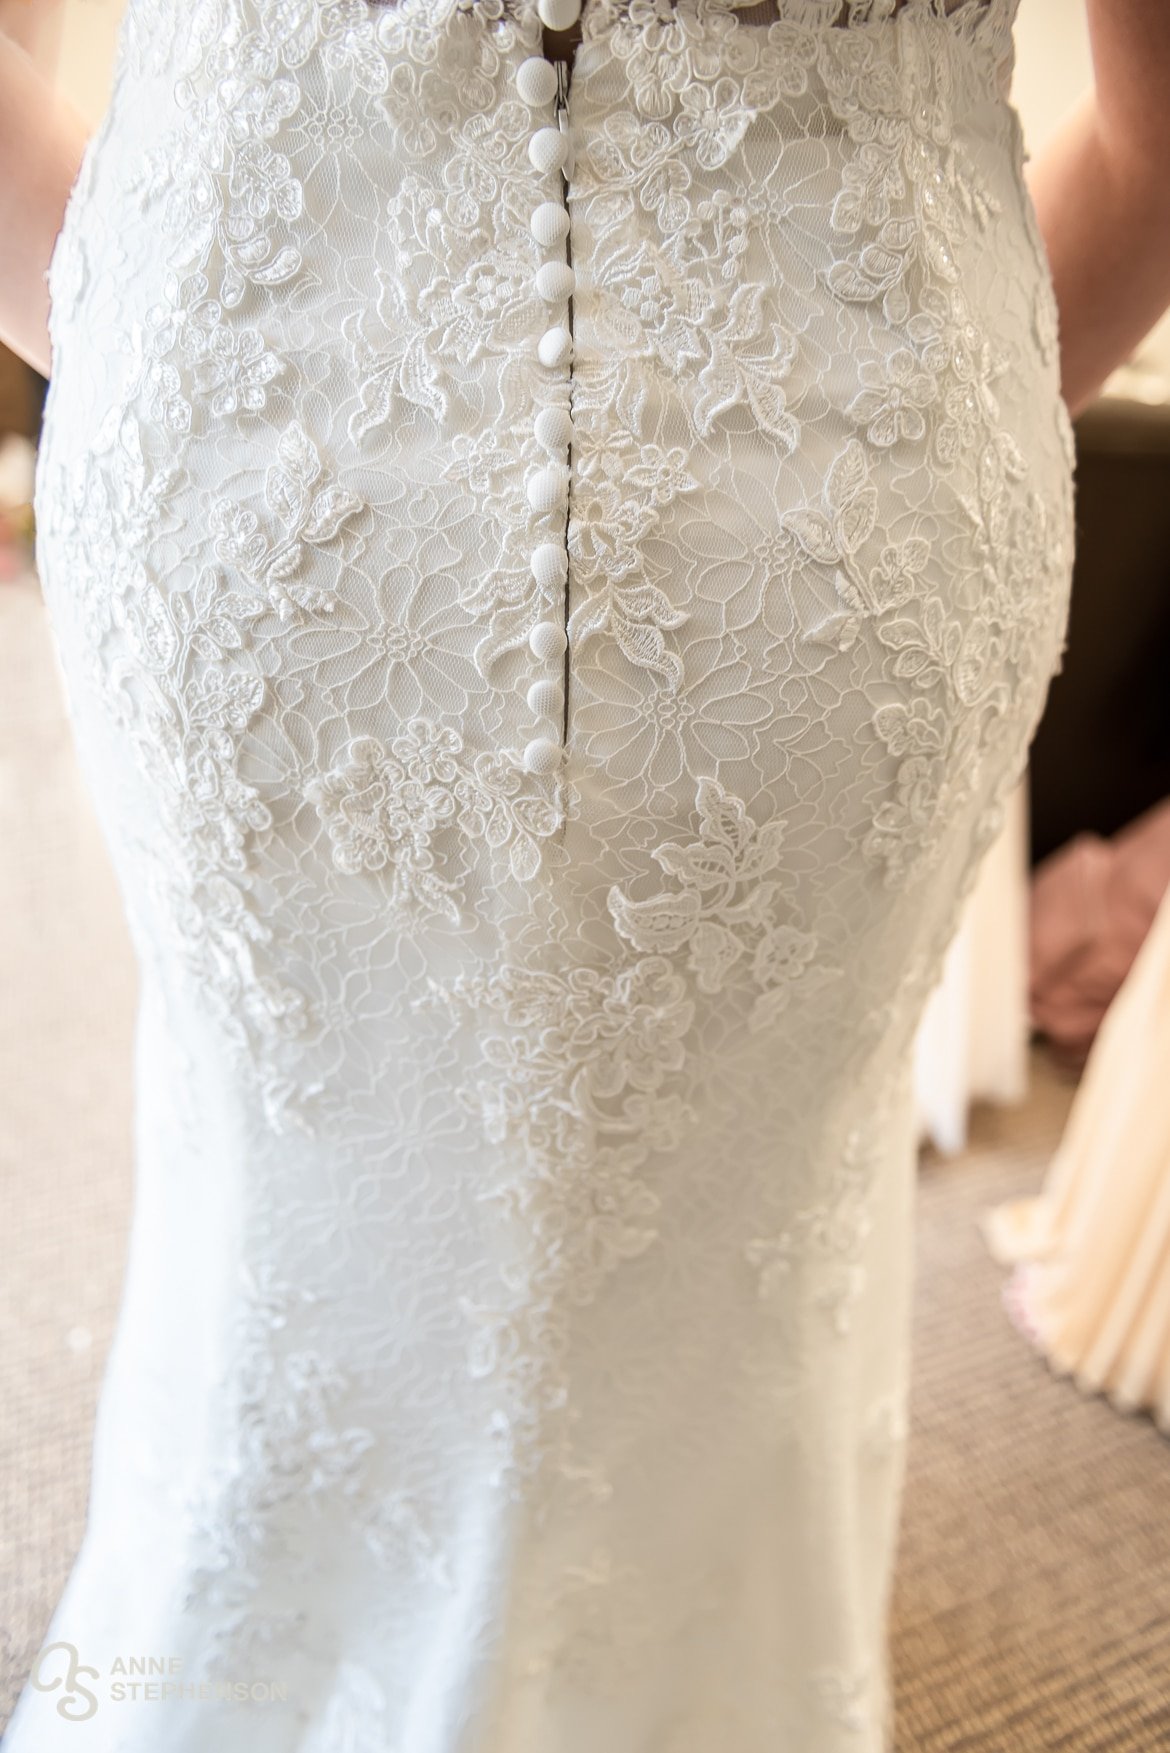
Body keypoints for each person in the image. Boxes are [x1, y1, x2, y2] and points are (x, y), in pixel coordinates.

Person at [1, 2, 1168, 1748]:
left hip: (263, 453)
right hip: (836, 507)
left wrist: (176, 315)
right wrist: (913, 398)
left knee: (324, 1205)